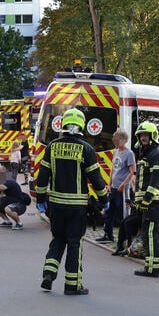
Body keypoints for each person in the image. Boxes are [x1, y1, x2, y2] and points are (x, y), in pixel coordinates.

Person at [36, 108, 108, 295]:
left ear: (64, 124)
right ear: (82, 125)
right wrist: (104, 200)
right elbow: (96, 178)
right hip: (77, 207)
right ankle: (72, 285)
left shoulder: (52, 146)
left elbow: (43, 175)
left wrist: (41, 199)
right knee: (74, 242)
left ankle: (49, 274)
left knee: (57, 239)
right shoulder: (86, 148)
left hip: (56, 205)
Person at [133, 121, 159, 277]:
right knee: (155, 231)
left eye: (146, 135)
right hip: (151, 201)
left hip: (152, 201)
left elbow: (155, 180)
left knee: (148, 234)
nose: (143, 137)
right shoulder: (148, 152)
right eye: (141, 135)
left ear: (152, 136)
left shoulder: (155, 153)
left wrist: (146, 200)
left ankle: (151, 268)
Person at [97, 130, 135, 244]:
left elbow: (132, 171)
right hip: (113, 187)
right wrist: (109, 184)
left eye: (117, 139)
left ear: (123, 140)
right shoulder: (116, 152)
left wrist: (123, 184)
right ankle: (108, 235)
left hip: (122, 189)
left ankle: (125, 238)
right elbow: (113, 169)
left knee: (123, 213)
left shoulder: (129, 154)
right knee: (109, 211)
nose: (115, 141)